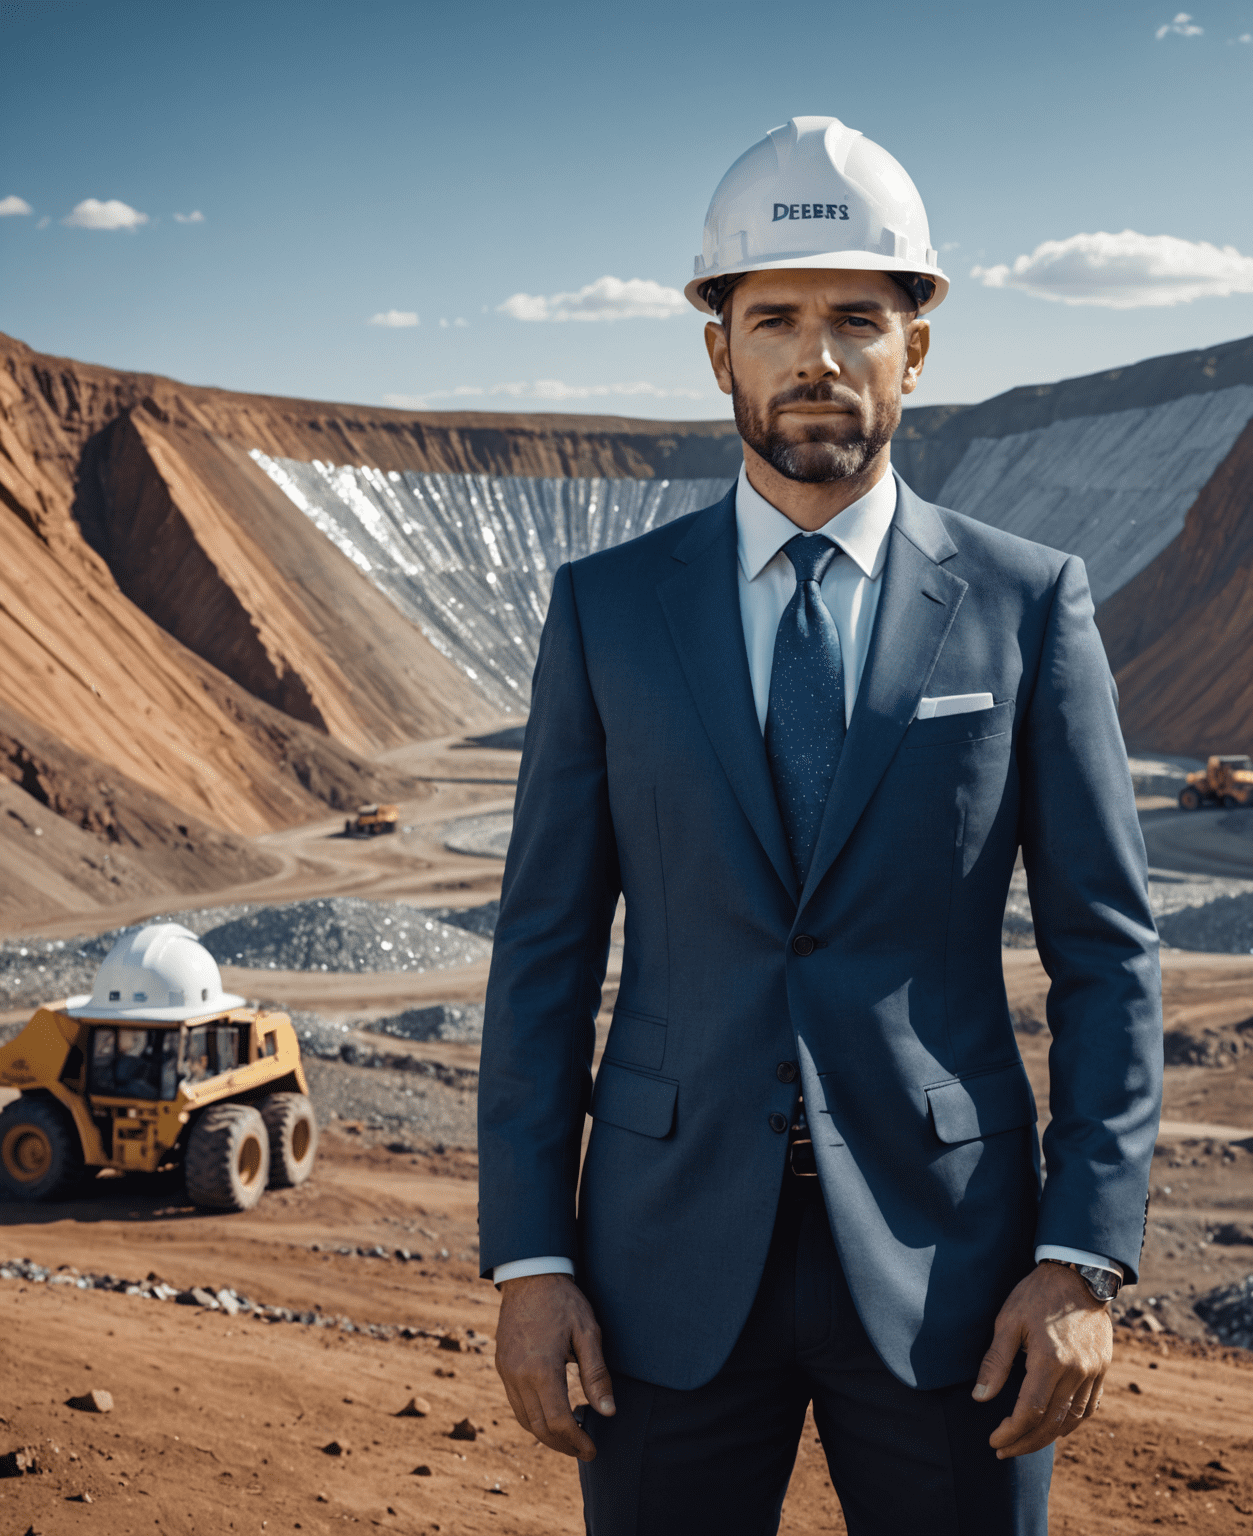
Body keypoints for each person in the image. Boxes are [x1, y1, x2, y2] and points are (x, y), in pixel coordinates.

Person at [479, 115, 1163, 1535]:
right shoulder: (607, 613)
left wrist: (1082, 1259)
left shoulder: (1030, 603)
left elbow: (1107, 949)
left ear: (919, 344)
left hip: (961, 1274)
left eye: (859, 317)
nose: (817, 356)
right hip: (654, 1271)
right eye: (774, 316)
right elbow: (544, 949)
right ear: (716, 345)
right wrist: (530, 1260)